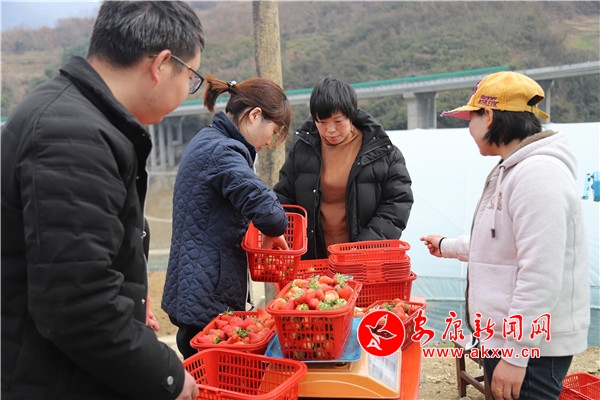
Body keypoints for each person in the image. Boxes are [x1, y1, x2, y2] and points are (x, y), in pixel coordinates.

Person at [1, 2, 205, 399]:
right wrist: (168, 376)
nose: (188, 89)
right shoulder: (72, 136)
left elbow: (84, 262)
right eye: (191, 76)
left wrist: (132, 299)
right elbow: (77, 304)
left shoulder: (78, 118)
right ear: (161, 64)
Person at [420, 71, 589, 400]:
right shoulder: (512, 168)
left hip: (532, 347)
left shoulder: (537, 175)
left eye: (470, 118)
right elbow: (500, 245)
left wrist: (516, 354)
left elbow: (540, 272)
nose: (469, 129)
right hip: (507, 338)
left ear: (489, 116)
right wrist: (446, 246)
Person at [161, 74, 292, 359]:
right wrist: (277, 228)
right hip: (205, 296)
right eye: (273, 130)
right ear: (255, 115)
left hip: (196, 288)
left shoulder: (209, 139)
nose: (269, 141)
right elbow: (270, 213)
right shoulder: (222, 152)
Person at [273, 77, 413, 260]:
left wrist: (363, 248)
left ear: (351, 115)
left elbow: (398, 203)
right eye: (322, 122)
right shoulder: (302, 149)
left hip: (364, 260)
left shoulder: (383, 153)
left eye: (338, 121)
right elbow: (284, 197)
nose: (330, 130)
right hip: (314, 259)